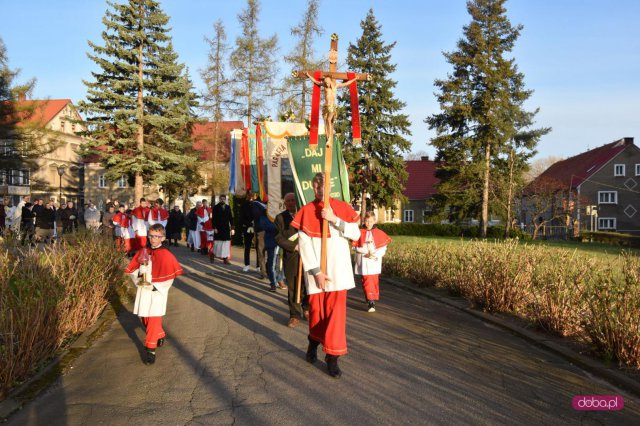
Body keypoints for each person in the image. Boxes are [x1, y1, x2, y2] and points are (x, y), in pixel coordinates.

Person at [291, 173, 360, 378]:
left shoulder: (342, 208)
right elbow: (304, 244)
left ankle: (332, 358)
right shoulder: (306, 211)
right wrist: (317, 272)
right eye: (317, 187)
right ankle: (313, 344)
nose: (320, 191)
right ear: (313, 188)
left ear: (330, 188)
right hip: (317, 275)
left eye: (324, 187)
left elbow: (356, 234)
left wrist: (335, 219)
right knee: (317, 316)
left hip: (338, 273)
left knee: (335, 319)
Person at [124, 224, 184, 365]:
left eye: (157, 236)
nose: (153, 239)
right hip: (143, 289)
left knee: (153, 319)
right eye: (151, 236)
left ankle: (150, 350)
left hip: (157, 291)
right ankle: (160, 334)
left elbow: (170, 277)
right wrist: (138, 278)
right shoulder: (143, 251)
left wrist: (157, 287)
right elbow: (132, 269)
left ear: (162, 238)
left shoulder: (166, 254)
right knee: (145, 316)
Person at [275, 192, 308, 328]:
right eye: (288, 201)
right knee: (294, 287)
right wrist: (294, 246)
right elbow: (278, 238)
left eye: (293, 200)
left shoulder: (304, 215)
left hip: (308, 254)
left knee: (307, 284)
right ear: (285, 203)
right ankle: (294, 315)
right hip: (292, 255)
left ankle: (307, 309)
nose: (291, 202)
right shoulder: (280, 218)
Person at [353, 211, 391, 313]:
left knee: (373, 281)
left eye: (370, 221)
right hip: (364, 260)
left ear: (374, 221)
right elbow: (354, 247)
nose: (368, 223)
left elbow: (383, 248)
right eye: (366, 221)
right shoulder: (359, 232)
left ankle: (370, 299)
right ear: (364, 221)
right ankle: (370, 301)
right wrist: (365, 251)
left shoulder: (379, 233)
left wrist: (374, 254)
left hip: (374, 261)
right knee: (366, 280)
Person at [258, 209, 279, 291]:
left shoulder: (279, 213)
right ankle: (273, 283)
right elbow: (266, 226)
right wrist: (279, 226)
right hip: (272, 243)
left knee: (282, 266)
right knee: (272, 264)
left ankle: (279, 279)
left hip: (283, 244)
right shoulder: (264, 216)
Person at [211, 194, 234, 264]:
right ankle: (213, 254)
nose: (222, 200)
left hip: (226, 228)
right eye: (221, 199)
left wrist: (232, 228)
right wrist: (214, 227)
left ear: (225, 199)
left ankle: (225, 258)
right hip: (218, 228)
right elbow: (213, 219)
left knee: (226, 244)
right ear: (219, 199)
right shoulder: (215, 207)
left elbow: (231, 218)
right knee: (218, 244)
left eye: (224, 199)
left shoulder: (228, 207)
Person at [251, 197, 267, 279]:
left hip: (273, 230)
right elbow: (256, 214)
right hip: (261, 231)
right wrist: (266, 209)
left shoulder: (272, 199)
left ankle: (271, 271)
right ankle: (263, 272)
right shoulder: (256, 203)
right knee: (261, 252)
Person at [240, 194, 255, 272]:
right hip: (247, 227)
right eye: (249, 195)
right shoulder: (244, 205)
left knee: (259, 248)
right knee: (247, 247)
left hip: (257, 228)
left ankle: (259, 266)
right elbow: (241, 217)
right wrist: (249, 223)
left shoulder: (257, 204)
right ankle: (246, 264)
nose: (251, 197)